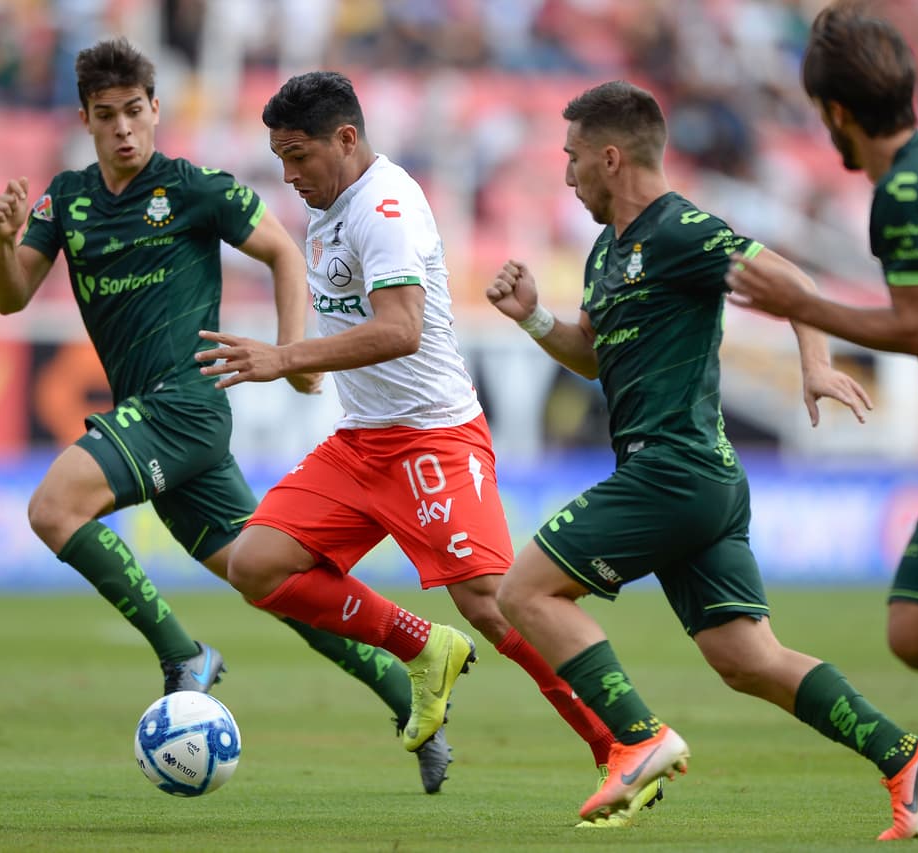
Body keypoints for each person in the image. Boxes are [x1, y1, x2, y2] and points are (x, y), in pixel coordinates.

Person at [484, 78, 918, 841]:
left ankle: (637, 738)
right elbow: (593, 356)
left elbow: (792, 279)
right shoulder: (611, 247)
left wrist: (812, 361)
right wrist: (535, 316)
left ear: (611, 157)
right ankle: (904, 756)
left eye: (571, 157)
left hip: (672, 468)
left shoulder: (681, 230)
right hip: (698, 478)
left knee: (525, 591)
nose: (565, 173)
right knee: (746, 658)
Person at [0, 37, 450, 794]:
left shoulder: (193, 186)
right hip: (153, 419)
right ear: (86, 120)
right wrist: (3, 242)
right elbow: (10, 295)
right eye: (107, 116)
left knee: (54, 506)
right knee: (273, 582)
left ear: (156, 109)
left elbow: (283, 253)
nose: (125, 128)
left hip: (187, 407)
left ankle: (183, 656)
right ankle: (409, 695)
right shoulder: (64, 199)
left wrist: (293, 354)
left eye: (136, 111)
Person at [197, 70, 663, 823]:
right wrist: (314, 368)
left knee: (496, 603)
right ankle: (420, 645)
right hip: (363, 443)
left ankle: (621, 742)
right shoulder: (328, 211)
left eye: (298, 156)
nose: (288, 175)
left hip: (433, 438)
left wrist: (288, 357)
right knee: (255, 562)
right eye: (278, 158)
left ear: (346, 139)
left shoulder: (386, 205)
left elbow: (402, 328)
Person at [726, 2, 918, 701]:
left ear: (835, 112)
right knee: (916, 630)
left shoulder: (903, 191)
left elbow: (917, 329)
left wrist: (801, 306)